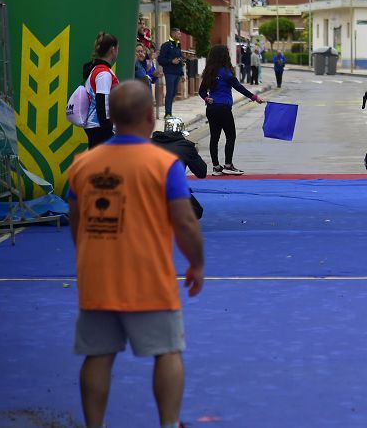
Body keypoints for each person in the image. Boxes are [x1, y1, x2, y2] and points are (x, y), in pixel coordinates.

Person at [66, 80, 204, 428]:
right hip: (148, 278)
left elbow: (76, 221)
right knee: (168, 352)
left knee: (97, 356)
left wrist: (88, 254)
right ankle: (169, 423)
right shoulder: (163, 164)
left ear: (110, 117)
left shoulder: (82, 165)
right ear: (150, 116)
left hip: (97, 277)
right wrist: (196, 263)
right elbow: (185, 222)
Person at [198, 44, 265, 176]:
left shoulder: (209, 71)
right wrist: (254, 97)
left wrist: (206, 98)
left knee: (214, 137)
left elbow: (201, 91)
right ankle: (228, 165)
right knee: (231, 136)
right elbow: (239, 87)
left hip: (211, 109)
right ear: (224, 56)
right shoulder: (227, 72)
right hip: (223, 108)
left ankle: (216, 167)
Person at [82, 33, 120, 149]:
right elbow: (102, 102)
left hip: (97, 127)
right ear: (113, 49)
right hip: (100, 128)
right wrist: (108, 130)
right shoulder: (103, 73)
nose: (118, 51)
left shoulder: (98, 70)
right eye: (118, 48)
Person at [157, 28, 184, 118]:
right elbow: (160, 60)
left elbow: (180, 59)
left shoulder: (177, 45)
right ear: (173, 34)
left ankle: (169, 111)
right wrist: (171, 61)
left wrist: (182, 73)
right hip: (169, 73)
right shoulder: (166, 45)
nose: (180, 36)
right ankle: (168, 113)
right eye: (178, 34)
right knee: (170, 92)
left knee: (174, 92)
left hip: (177, 73)